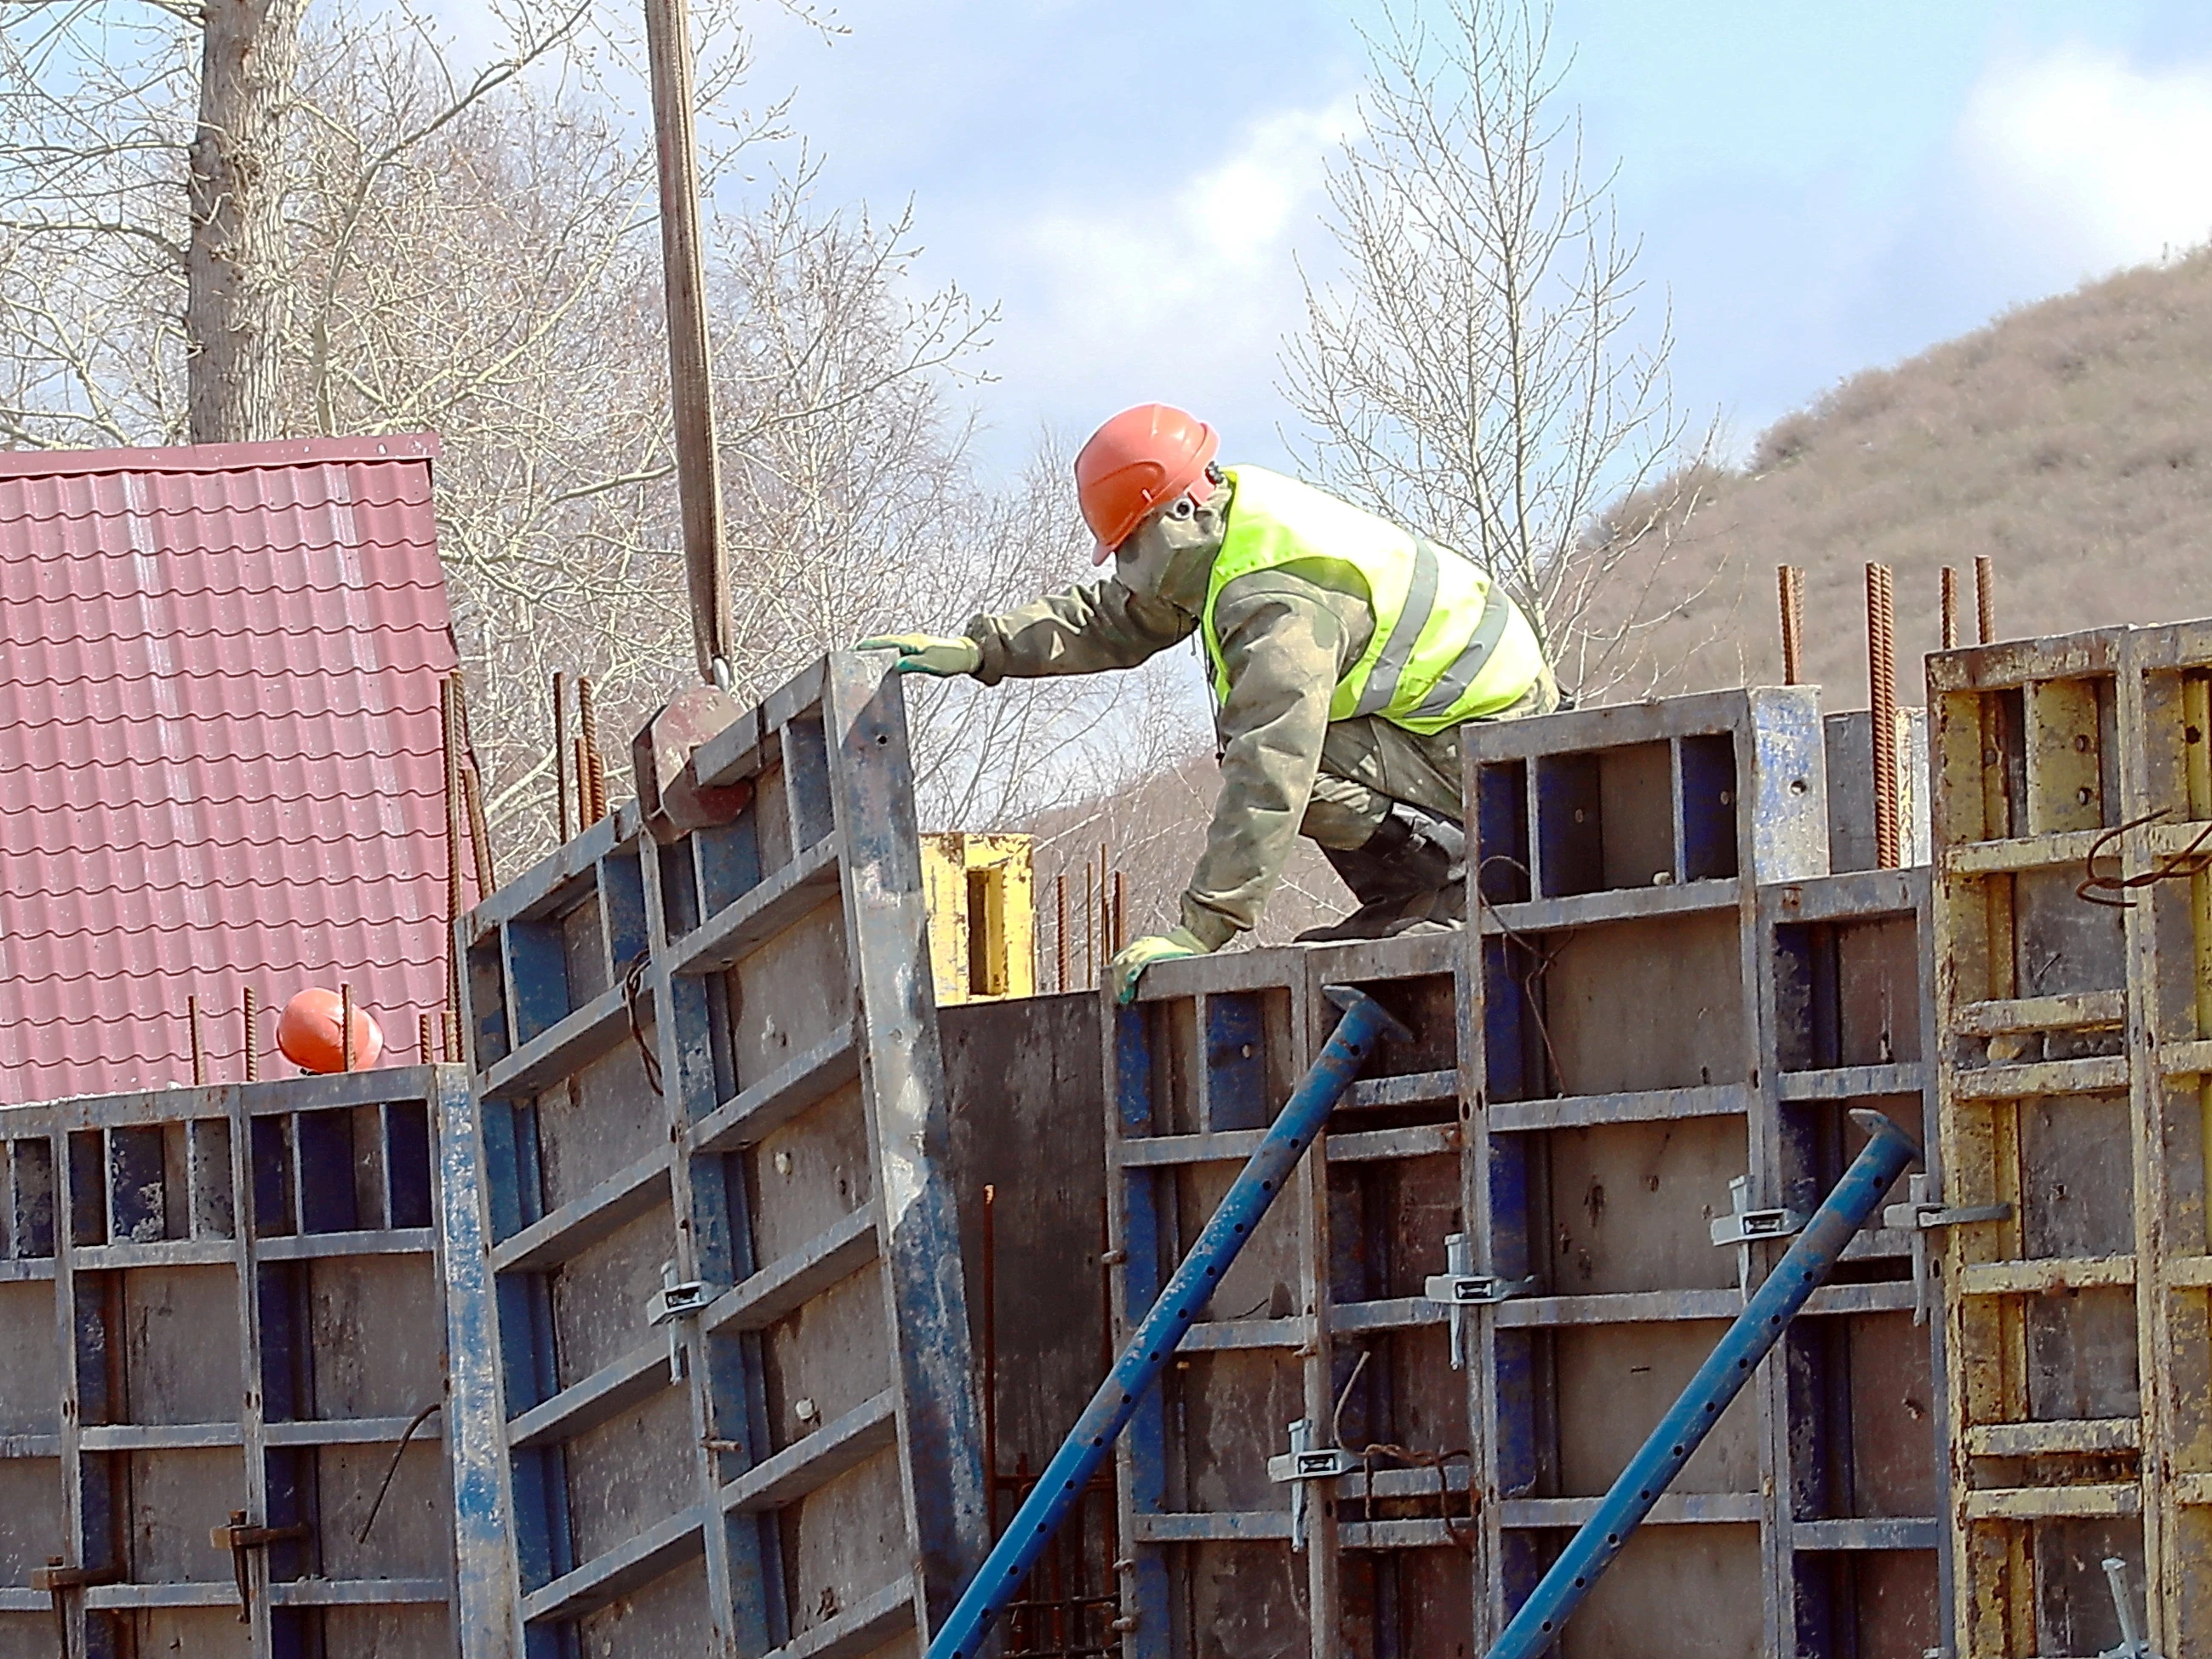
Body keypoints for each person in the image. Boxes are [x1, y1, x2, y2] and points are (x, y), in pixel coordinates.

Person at [860, 403, 1558, 1004]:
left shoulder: (1275, 597)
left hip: (1489, 749)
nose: (1125, 565)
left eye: (1131, 544)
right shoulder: (1226, 530)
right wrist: (984, 649)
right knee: (1272, 753)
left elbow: (1270, 769)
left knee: (1282, 763)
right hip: (1442, 730)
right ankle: (1419, 894)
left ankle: (1455, 885)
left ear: (1183, 509)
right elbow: (1116, 617)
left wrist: (1200, 930)